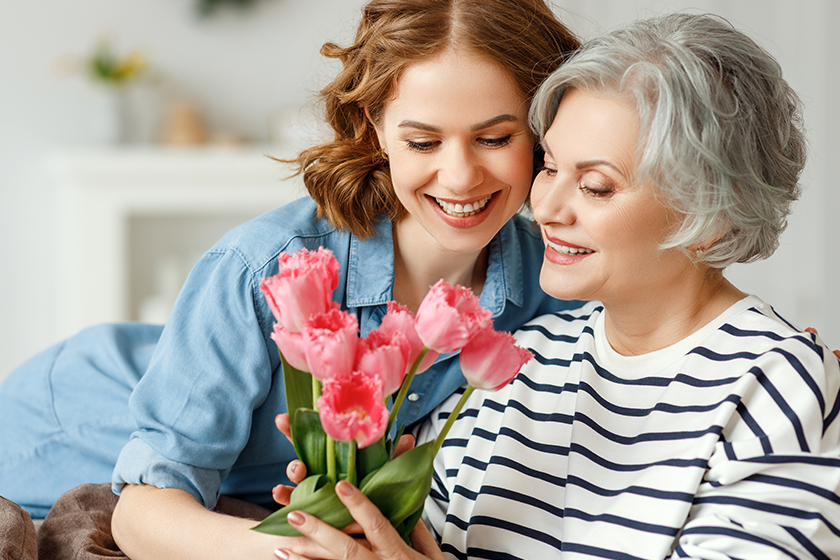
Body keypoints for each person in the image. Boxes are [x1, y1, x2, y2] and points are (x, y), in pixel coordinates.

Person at [0, 0, 580, 558]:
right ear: (377, 130)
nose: (459, 177)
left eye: (496, 138)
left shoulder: (549, 277)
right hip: (64, 431)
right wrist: (296, 552)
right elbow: (142, 510)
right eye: (423, 141)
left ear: (543, 131)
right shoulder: (265, 266)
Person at [273, 12, 840, 560]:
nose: (543, 207)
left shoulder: (781, 387)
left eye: (595, 186)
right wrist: (354, 507)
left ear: (712, 213)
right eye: (548, 165)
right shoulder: (518, 357)